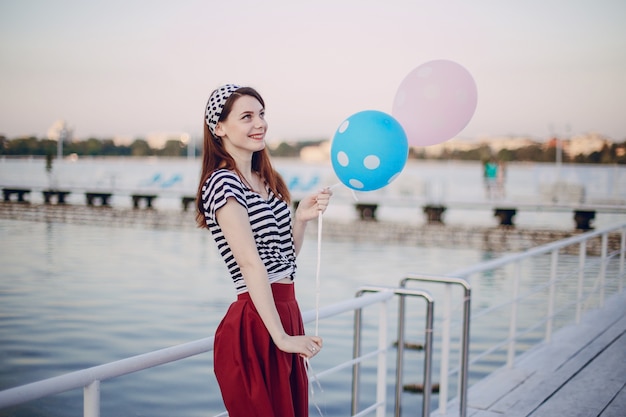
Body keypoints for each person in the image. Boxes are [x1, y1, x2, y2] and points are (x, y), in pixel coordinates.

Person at [195, 84, 332, 417]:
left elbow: (280, 260)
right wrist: (282, 338)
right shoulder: (221, 183)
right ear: (219, 128)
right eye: (247, 116)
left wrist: (299, 219)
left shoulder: (266, 180)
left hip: (284, 311)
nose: (260, 123)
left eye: (261, 114)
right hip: (257, 321)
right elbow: (250, 264)